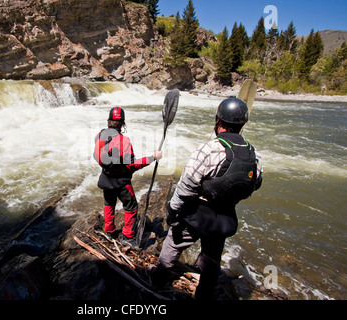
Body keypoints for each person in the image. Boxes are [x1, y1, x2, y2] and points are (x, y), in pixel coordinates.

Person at [151, 97, 263, 300]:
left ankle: (158, 279)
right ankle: (204, 295)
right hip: (225, 217)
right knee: (212, 258)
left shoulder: (208, 149)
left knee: (173, 244)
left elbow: (187, 186)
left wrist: (172, 210)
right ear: (242, 125)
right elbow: (255, 184)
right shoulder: (253, 154)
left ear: (218, 121)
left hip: (196, 214)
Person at [94, 107, 162, 246]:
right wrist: (152, 158)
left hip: (105, 178)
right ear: (122, 124)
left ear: (109, 121)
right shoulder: (124, 141)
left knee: (109, 204)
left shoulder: (99, 135)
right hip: (121, 182)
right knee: (131, 206)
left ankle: (110, 232)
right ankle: (128, 237)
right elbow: (132, 165)